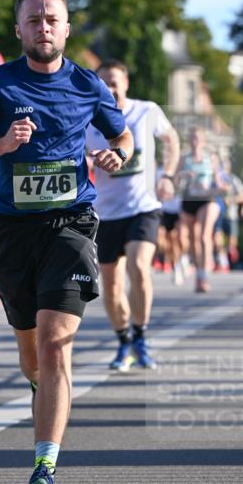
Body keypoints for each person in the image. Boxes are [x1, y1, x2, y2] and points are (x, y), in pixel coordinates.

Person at [0, 0, 133, 484]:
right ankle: (41, 386)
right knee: (31, 351)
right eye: (34, 20)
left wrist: (117, 155)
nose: (43, 27)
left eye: (52, 19)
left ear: (66, 28)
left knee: (55, 345)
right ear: (19, 30)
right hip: (10, 230)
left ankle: (43, 470)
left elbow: (121, 136)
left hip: (71, 224)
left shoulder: (87, 84)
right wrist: (1, 145)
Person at [86, 61, 180, 372]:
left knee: (139, 267)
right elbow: (76, 154)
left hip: (144, 206)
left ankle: (140, 336)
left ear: (126, 82)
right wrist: (88, 161)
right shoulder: (89, 119)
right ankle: (123, 340)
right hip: (105, 213)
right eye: (104, 83)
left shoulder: (146, 110)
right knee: (111, 285)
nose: (110, 89)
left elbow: (171, 139)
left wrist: (168, 175)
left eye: (114, 82)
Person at [177, 127, 220, 293]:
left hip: (207, 199)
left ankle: (204, 276)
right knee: (193, 240)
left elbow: (217, 181)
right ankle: (199, 276)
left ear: (203, 141)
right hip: (189, 200)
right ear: (189, 140)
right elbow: (175, 179)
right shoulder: (184, 159)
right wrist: (184, 176)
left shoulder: (211, 158)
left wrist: (218, 187)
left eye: (198, 138)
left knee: (204, 236)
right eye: (192, 138)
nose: (195, 141)